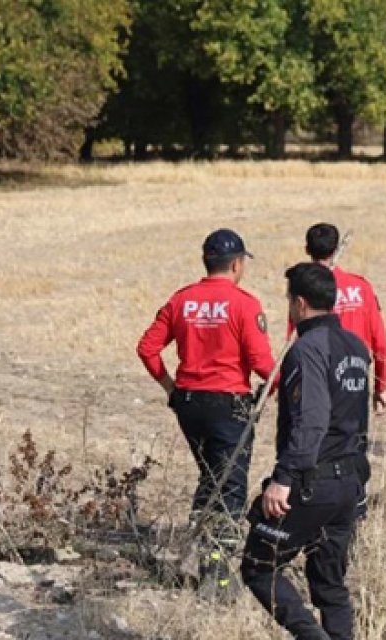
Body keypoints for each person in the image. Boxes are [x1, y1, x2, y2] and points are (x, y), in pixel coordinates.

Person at [136, 228, 275, 598]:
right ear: (237, 264)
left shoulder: (182, 300)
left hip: (190, 404)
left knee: (211, 477)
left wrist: (170, 387)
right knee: (230, 486)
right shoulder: (244, 304)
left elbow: (147, 348)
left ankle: (202, 552)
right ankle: (219, 576)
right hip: (229, 404)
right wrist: (284, 382)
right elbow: (262, 363)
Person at [240, 263, 369, 640]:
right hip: (349, 481)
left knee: (259, 567)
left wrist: (283, 479)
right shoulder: (356, 347)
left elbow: (311, 420)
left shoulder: (307, 350)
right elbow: (359, 419)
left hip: (314, 481)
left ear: (299, 303)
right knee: (329, 584)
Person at [303, 223, 386, 519]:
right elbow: (380, 342)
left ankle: (316, 507)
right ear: (337, 248)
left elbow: (296, 339)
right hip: (354, 377)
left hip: (317, 377)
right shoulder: (361, 287)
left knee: (315, 442)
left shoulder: (306, 287)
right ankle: (355, 509)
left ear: (307, 249)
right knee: (354, 444)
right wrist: (381, 386)